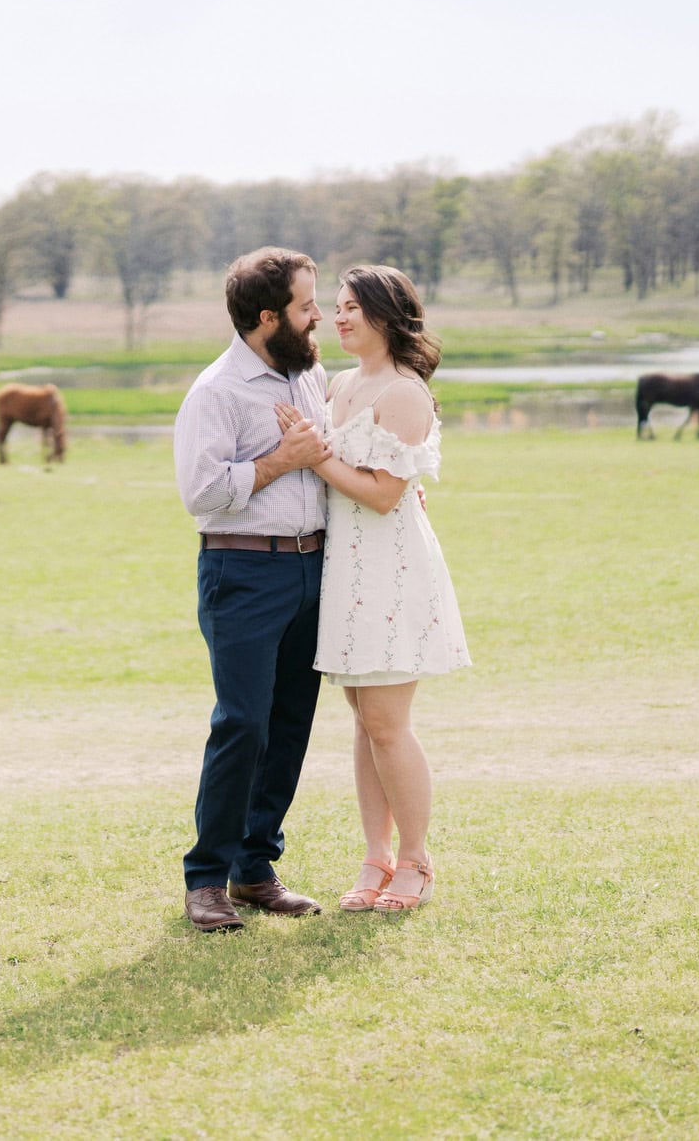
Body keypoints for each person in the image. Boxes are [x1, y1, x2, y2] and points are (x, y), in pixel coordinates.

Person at [279, 264, 470, 915]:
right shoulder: (338, 384)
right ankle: (376, 857)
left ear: (387, 315)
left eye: (352, 307)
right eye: (335, 306)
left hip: (391, 567)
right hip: (346, 570)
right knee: (365, 724)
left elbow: (387, 496)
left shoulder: (404, 393)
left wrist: (317, 457)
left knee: (388, 724)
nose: (338, 318)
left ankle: (416, 860)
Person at [172, 247, 335, 933]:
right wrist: (281, 460)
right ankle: (206, 879)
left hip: (314, 569)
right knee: (242, 723)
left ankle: (255, 869)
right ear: (268, 317)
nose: (318, 315)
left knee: (291, 721)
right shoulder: (216, 392)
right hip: (242, 573)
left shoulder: (310, 376)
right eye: (306, 306)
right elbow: (202, 492)